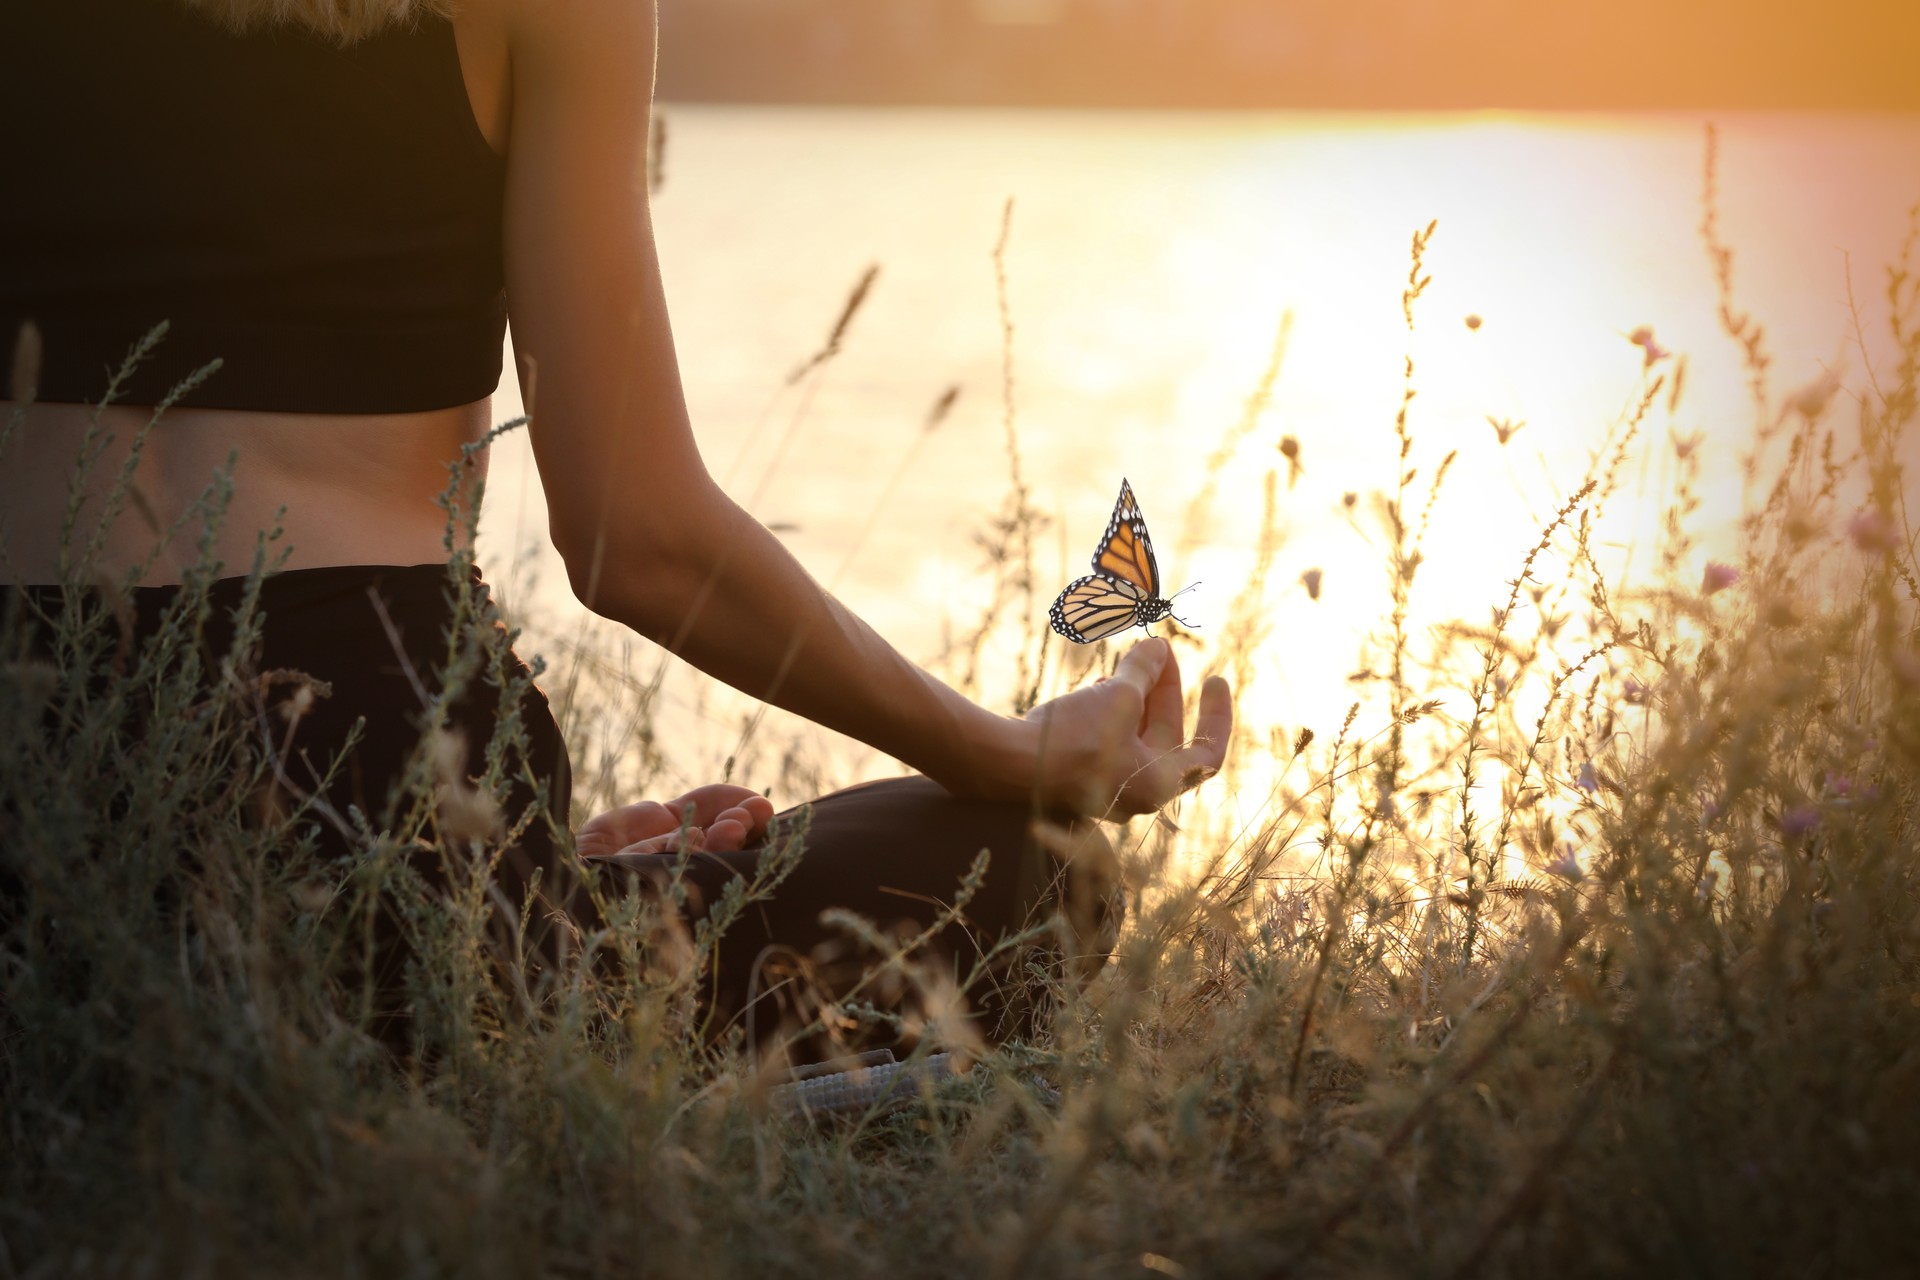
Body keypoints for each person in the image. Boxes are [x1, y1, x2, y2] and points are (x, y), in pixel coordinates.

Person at [0, 0, 1234, 1053]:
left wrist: (540, 856)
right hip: (382, 783)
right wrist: (1007, 755)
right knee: (1031, 876)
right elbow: (635, 538)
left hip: (34, 768)